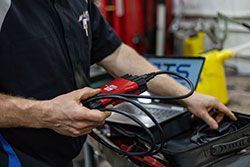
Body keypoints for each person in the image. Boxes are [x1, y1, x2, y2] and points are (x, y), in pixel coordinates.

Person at [0, 0, 237, 166]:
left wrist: (186, 96)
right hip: (15, 153)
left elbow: (114, 54)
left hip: (60, 150)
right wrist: (46, 114)